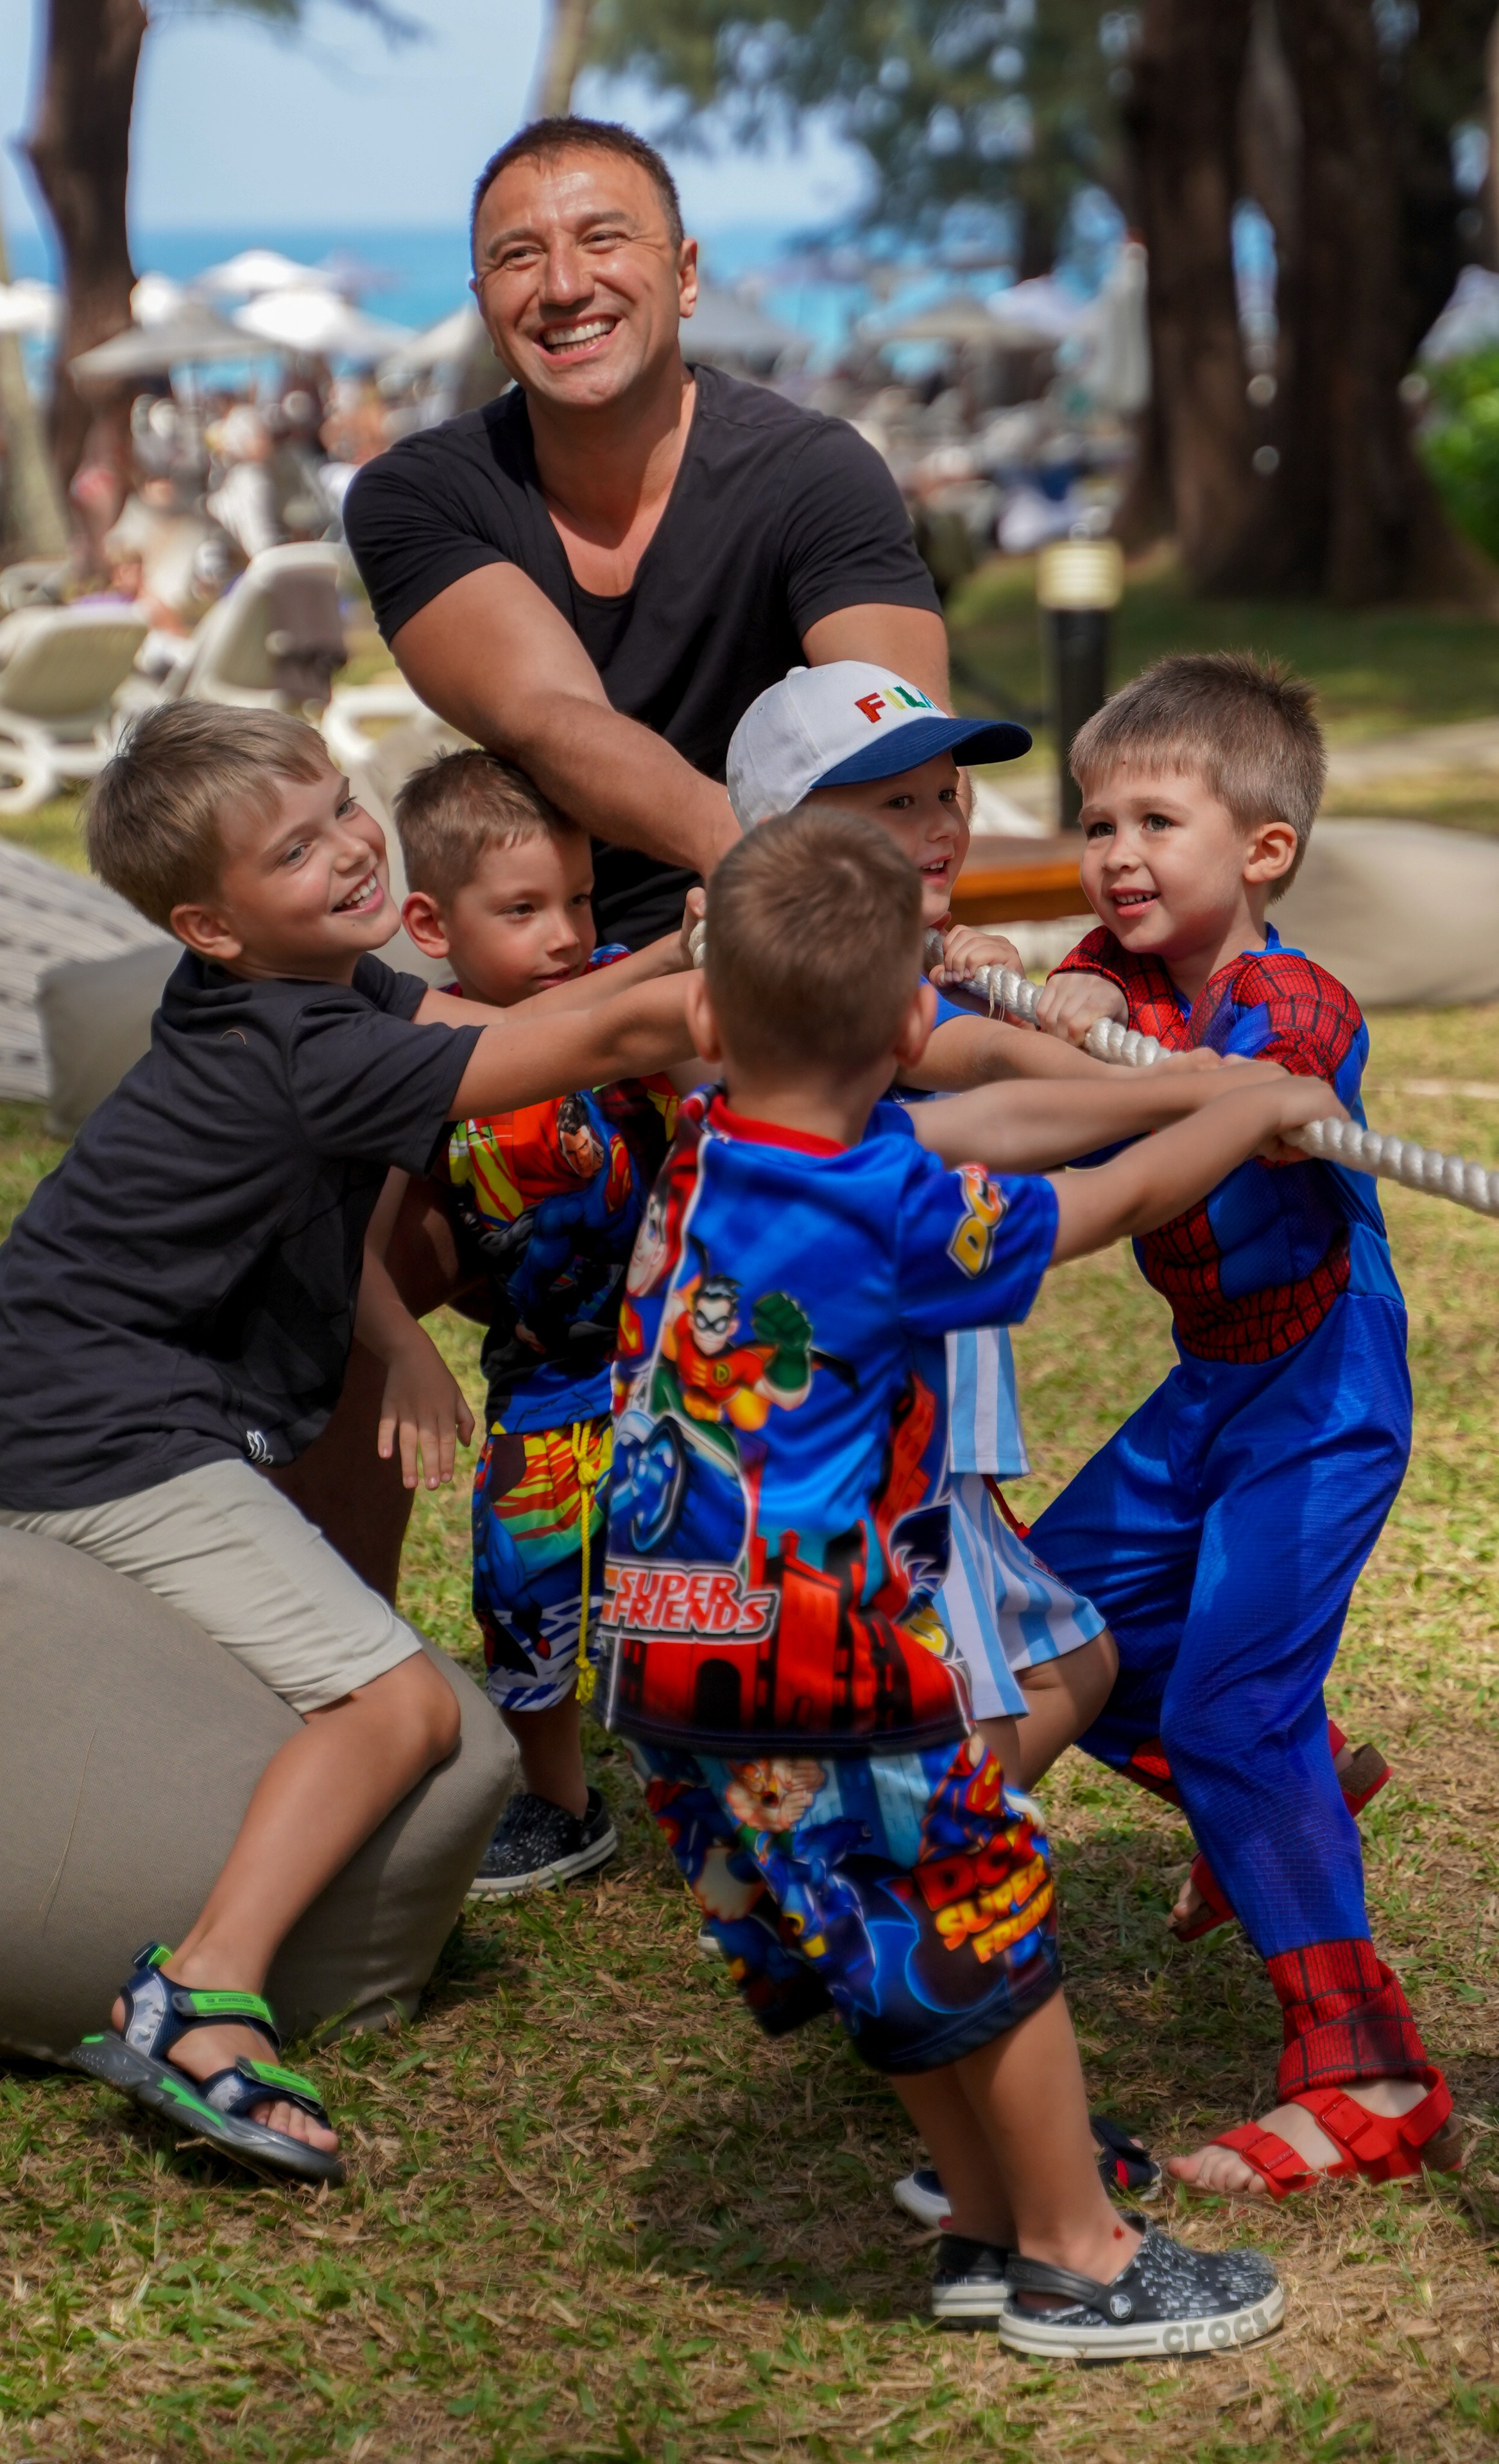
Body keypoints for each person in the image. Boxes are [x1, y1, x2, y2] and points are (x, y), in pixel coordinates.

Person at [602, 806, 1338, 2352]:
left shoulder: (714, 1143)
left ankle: (986, 2227)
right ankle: (1080, 2255)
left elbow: (990, 1126)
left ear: (706, 1013)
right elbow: (1113, 1200)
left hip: (667, 1651)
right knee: (982, 1919)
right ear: (911, 1020)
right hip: (826, 1653)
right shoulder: (887, 1211)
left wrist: (1201, 1085)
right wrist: (1250, 1103)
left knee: (892, 1936)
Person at [0, 703, 696, 2187]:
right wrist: (728, 960)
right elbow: (573, 1041)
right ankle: (200, 1996)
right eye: (296, 850)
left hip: (84, 1388)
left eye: (342, 806)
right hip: (102, 1433)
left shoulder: (306, 990)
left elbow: (490, 1021)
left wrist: (682, 950)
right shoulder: (302, 1046)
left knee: (367, 1677)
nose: (352, 845)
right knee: (402, 1710)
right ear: (210, 925)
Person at [321, 109, 963, 1602]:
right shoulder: (418, 493)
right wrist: (754, 872)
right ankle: (334, 1696)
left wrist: (799, 933)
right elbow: (546, 715)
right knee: (320, 1282)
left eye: (600, 238)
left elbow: (896, 741)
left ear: (680, 268)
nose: (560, 281)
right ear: (483, 302)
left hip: (782, 985)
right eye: (514, 256)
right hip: (541, 976)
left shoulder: (811, 474)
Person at [1024, 653, 1462, 2201]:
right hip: (1208, 1375)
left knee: (1226, 1707)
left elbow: (1272, 1061)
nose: (1116, 852)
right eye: (1096, 823)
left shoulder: (1284, 994)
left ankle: (1370, 2076)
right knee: (1038, 1631)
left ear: (1260, 852)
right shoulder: (1115, 972)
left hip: (1318, 1386)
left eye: (1156, 820)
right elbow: (1080, 989)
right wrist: (1067, 980)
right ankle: (1288, 1778)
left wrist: (1196, 1069)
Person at [391, 749, 690, 1896]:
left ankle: (735, 1799)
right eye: (523, 910)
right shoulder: (421, 1047)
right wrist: (402, 1345)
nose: (566, 933)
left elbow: (684, 1047)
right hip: (540, 1371)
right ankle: (559, 1804)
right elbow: (370, 1229)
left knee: (685, 1573)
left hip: (677, 1362)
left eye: (577, 898)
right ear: (433, 922)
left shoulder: (630, 987)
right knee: (521, 1589)